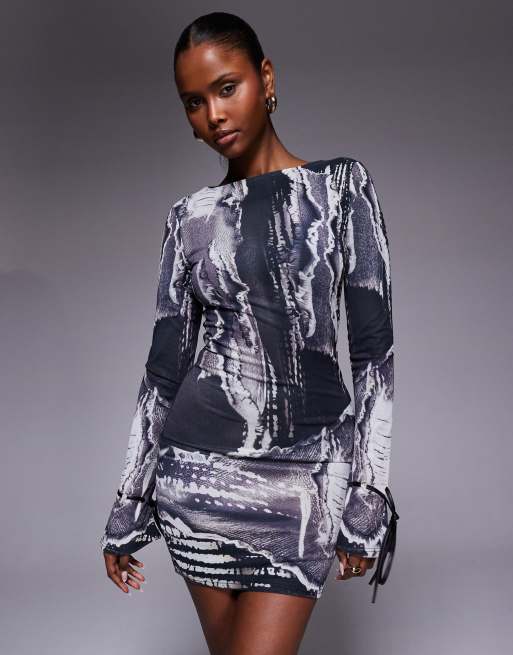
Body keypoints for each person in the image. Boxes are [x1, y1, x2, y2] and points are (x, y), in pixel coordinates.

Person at [100, 11, 399, 655]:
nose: (213, 115)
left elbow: (374, 353)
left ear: (266, 78)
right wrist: (130, 498)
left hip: (307, 483)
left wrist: (369, 492)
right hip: (195, 479)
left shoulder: (341, 188)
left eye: (226, 88)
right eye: (193, 102)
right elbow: (162, 372)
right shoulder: (190, 217)